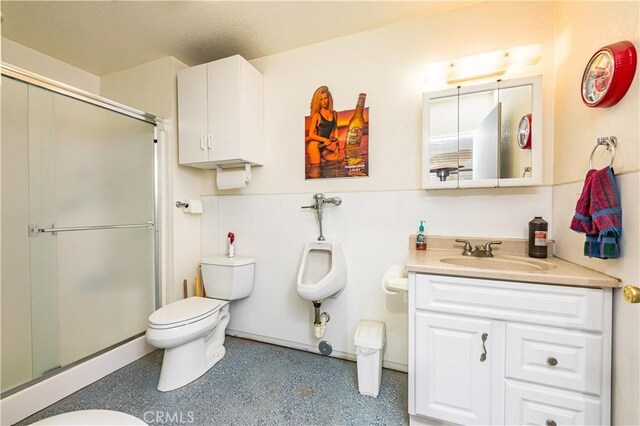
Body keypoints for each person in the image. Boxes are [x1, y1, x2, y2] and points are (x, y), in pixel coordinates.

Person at [307, 86, 345, 165]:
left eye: (325, 98)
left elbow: (335, 131)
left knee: (340, 159)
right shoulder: (317, 116)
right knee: (316, 169)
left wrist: (337, 148)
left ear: (329, 98)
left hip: (324, 148)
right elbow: (311, 135)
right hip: (314, 146)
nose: (324, 102)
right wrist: (325, 140)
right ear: (318, 101)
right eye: (321, 100)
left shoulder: (334, 114)